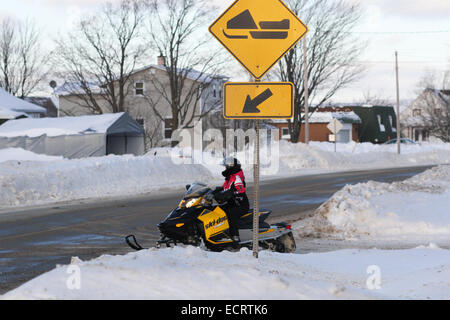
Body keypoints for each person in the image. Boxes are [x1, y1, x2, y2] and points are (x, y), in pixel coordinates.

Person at [213, 157, 250, 246]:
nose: (225, 169)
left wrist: (232, 194)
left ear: (231, 167)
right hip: (232, 204)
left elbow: (240, 191)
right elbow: (225, 188)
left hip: (240, 205)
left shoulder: (237, 178)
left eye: (226, 167)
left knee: (230, 214)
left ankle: (235, 237)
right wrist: (215, 191)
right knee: (216, 211)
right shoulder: (230, 178)